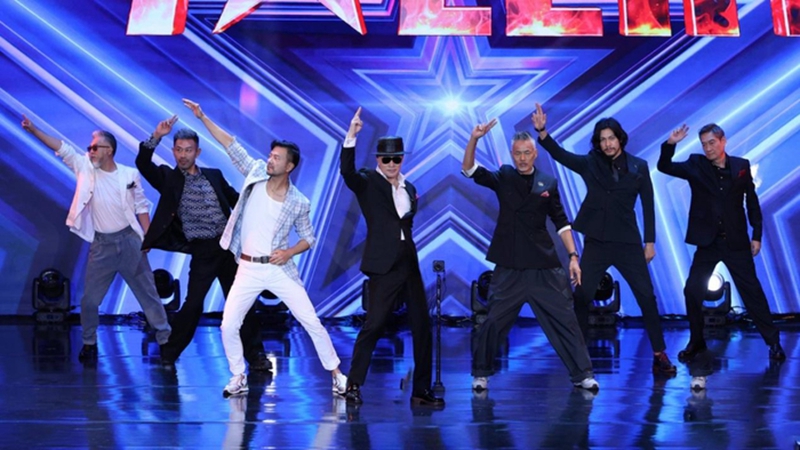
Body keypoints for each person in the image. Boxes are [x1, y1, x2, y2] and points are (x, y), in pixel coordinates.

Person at [182, 99, 347, 398]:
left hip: (278, 269)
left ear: (289, 166)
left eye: (276, 158)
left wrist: (289, 252)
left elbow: (309, 238)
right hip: (247, 268)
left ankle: (337, 375)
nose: (270, 160)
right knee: (228, 325)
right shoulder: (256, 172)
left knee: (311, 322)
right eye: (270, 155)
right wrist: (202, 116)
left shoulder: (298, 201)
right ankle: (238, 375)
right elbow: (231, 145)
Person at [532, 103, 676, 374]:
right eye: (602, 140)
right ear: (598, 143)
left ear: (620, 138)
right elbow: (562, 155)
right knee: (582, 295)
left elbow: (648, 204)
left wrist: (650, 242)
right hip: (597, 241)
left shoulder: (639, 166)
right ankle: (578, 354)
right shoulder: (590, 163)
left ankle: (659, 353)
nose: (607, 144)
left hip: (628, 242)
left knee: (647, 297)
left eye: (611, 138)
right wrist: (542, 132)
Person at [462, 118, 599, 392]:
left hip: (543, 265)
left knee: (565, 319)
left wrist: (573, 256)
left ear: (535, 153)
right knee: (493, 321)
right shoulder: (504, 176)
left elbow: (561, 222)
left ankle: (583, 374)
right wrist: (474, 139)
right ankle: (481, 373)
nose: (522, 158)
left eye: (527, 153)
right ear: (512, 155)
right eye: (518, 154)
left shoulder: (548, 182)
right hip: (510, 266)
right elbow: (469, 170)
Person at [21, 114, 171, 361]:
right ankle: (89, 343)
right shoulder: (85, 168)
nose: (89, 151)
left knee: (149, 295)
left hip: (130, 242)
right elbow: (61, 147)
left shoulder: (129, 174)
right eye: (89, 148)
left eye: (94, 147)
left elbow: (141, 206)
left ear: (109, 150)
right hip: (102, 245)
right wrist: (34, 130)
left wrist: (148, 237)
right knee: (90, 300)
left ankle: (165, 341)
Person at [135, 117, 270, 370]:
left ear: (197, 152)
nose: (183, 155)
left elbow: (236, 200)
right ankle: (169, 353)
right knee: (193, 304)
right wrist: (156, 135)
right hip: (203, 249)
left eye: (188, 150)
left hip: (228, 248)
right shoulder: (169, 178)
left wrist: (263, 206)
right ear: (173, 151)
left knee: (242, 303)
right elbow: (143, 163)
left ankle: (256, 356)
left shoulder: (214, 175)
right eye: (178, 150)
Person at [340, 107, 444, 408]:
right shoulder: (368, 181)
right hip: (383, 264)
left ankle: (420, 391)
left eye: (396, 158)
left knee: (422, 326)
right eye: (386, 159)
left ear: (402, 159)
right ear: (377, 160)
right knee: (374, 325)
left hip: (408, 262)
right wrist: (351, 136)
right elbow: (347, 173)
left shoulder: (409, 188)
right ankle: (353, 384)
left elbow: (405, 223)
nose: (391, 163)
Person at [657, 123, 785, 363]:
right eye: (704, 144)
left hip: (735, 241)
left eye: (712, 143)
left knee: (752, 293)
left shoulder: (741, 166)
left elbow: (752, 202)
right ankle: (696, 342)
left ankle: (773, 343)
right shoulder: (696, 164)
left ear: (723, 141)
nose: (708, 148)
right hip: (708, 242)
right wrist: (670, 144)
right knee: (692, 290)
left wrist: (757, 234)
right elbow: (664, 166)